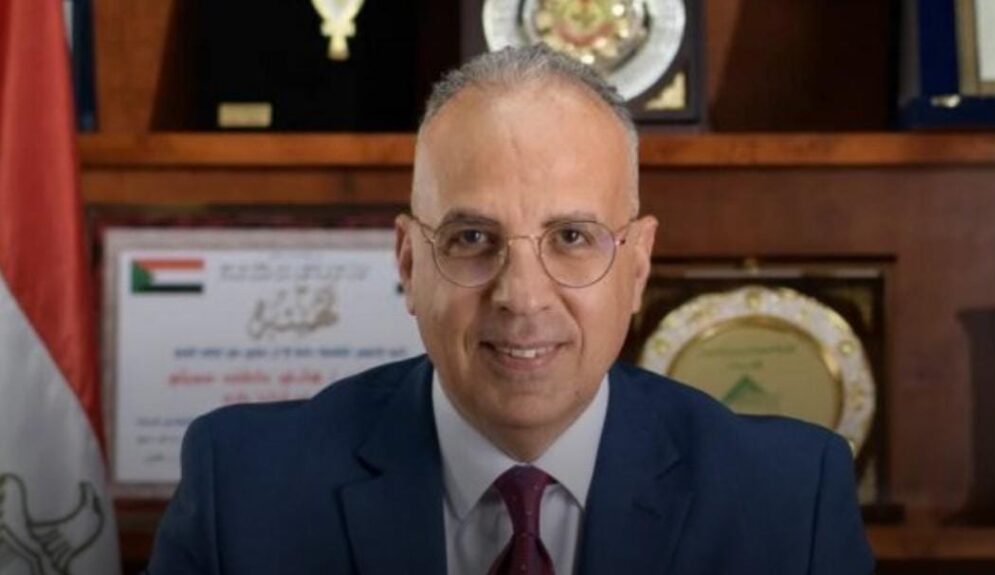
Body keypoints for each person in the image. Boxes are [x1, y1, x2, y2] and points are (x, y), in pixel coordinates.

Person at [147, 45, 874, 574]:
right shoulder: (243, 489)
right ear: (409, 262)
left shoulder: (788, 500)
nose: (522, 296)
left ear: (638, 264)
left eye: (572, 238)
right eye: (472, 238)